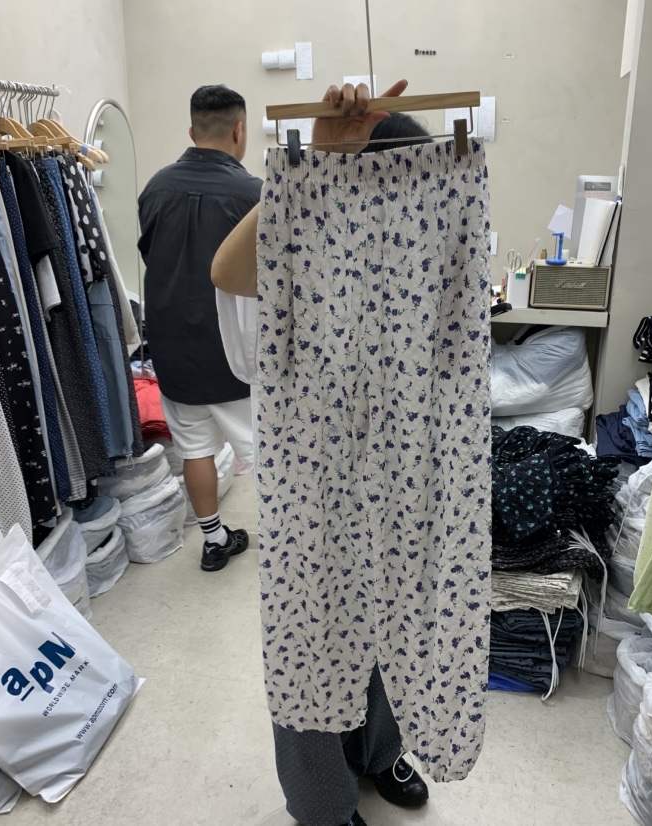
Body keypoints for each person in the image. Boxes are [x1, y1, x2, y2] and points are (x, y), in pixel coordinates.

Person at [213, 82, 434, 826]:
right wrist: (313, 161)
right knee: (311, 639)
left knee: (392, 622)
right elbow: (227, 272)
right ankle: (322, 802)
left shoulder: (420, 245)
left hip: (399, 474)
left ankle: (378, 752)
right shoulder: (302, 230)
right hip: (311, 484)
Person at [138, 84, 261, 572]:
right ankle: (294, 543)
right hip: (237, 355)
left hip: (174, 352)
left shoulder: (154, 189)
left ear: (192, 131)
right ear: (239, 131)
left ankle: (213, 541)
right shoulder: (254, 194)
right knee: (272, 454)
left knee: (195, 449)